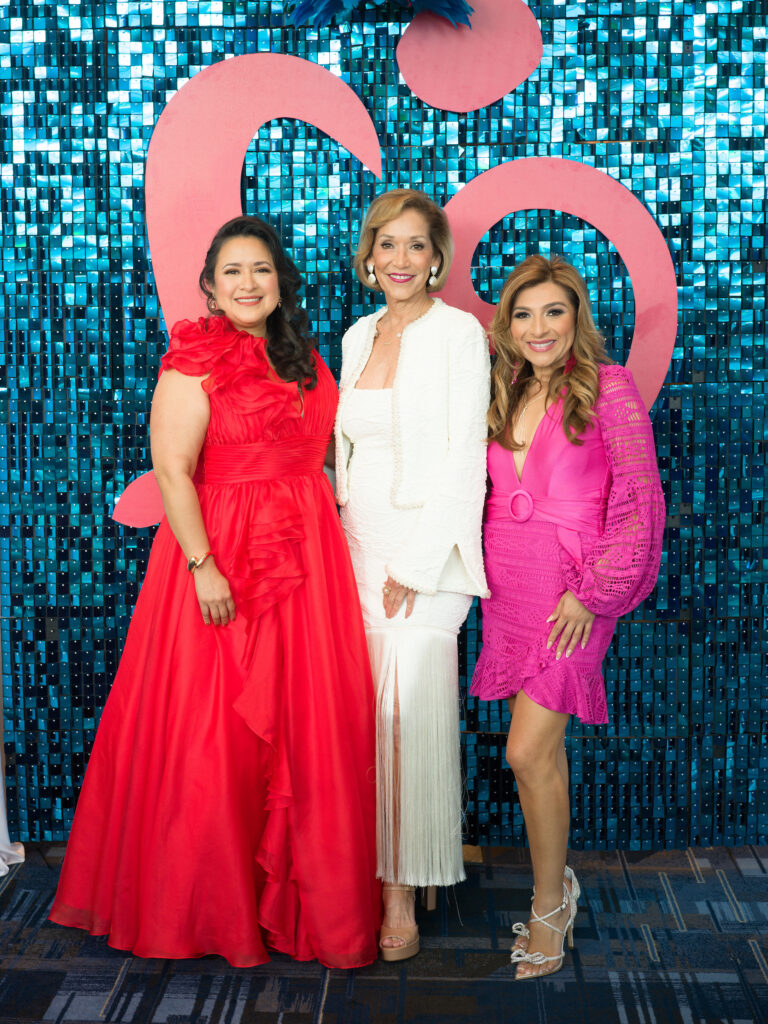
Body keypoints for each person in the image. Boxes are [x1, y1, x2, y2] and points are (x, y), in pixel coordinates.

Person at [50, 215, 380, 969]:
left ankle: (301, 904)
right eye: (232, 271)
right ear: (209, 284)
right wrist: (204, 566)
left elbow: (327, 453)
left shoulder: (306, 358)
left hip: (307, 554)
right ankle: (209, 906)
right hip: (222, 553)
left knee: (303, 724)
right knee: (217, 728)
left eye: (261, 269)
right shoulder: (193, 361)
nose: (248, 284)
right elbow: (173, 470)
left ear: (280, 282)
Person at [470, 254, 665, 979]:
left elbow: (639, 499)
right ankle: (559, 884)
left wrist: (593, 592)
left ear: (577, 316)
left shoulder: (609, 387)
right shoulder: (504, 388)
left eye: (554, 311)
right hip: (509, 588)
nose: (539, 327)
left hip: (574, 591)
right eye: (524, 314)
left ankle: (550, 903)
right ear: (507, 325)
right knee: (540, 754)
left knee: (526, 751)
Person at [333, 188, 490, 961]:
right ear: (369, 256)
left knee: (402, 719)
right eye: (387, 244)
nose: (400, 259)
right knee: (360, 720)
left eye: (416, 245)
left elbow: (467, 457)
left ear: (437, 259)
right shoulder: (356, 334)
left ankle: (400, 895)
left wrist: (418, 565)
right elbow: (346, 450)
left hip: (428, 556)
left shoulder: (460, 333)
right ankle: (359, 877)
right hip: (356, 548)